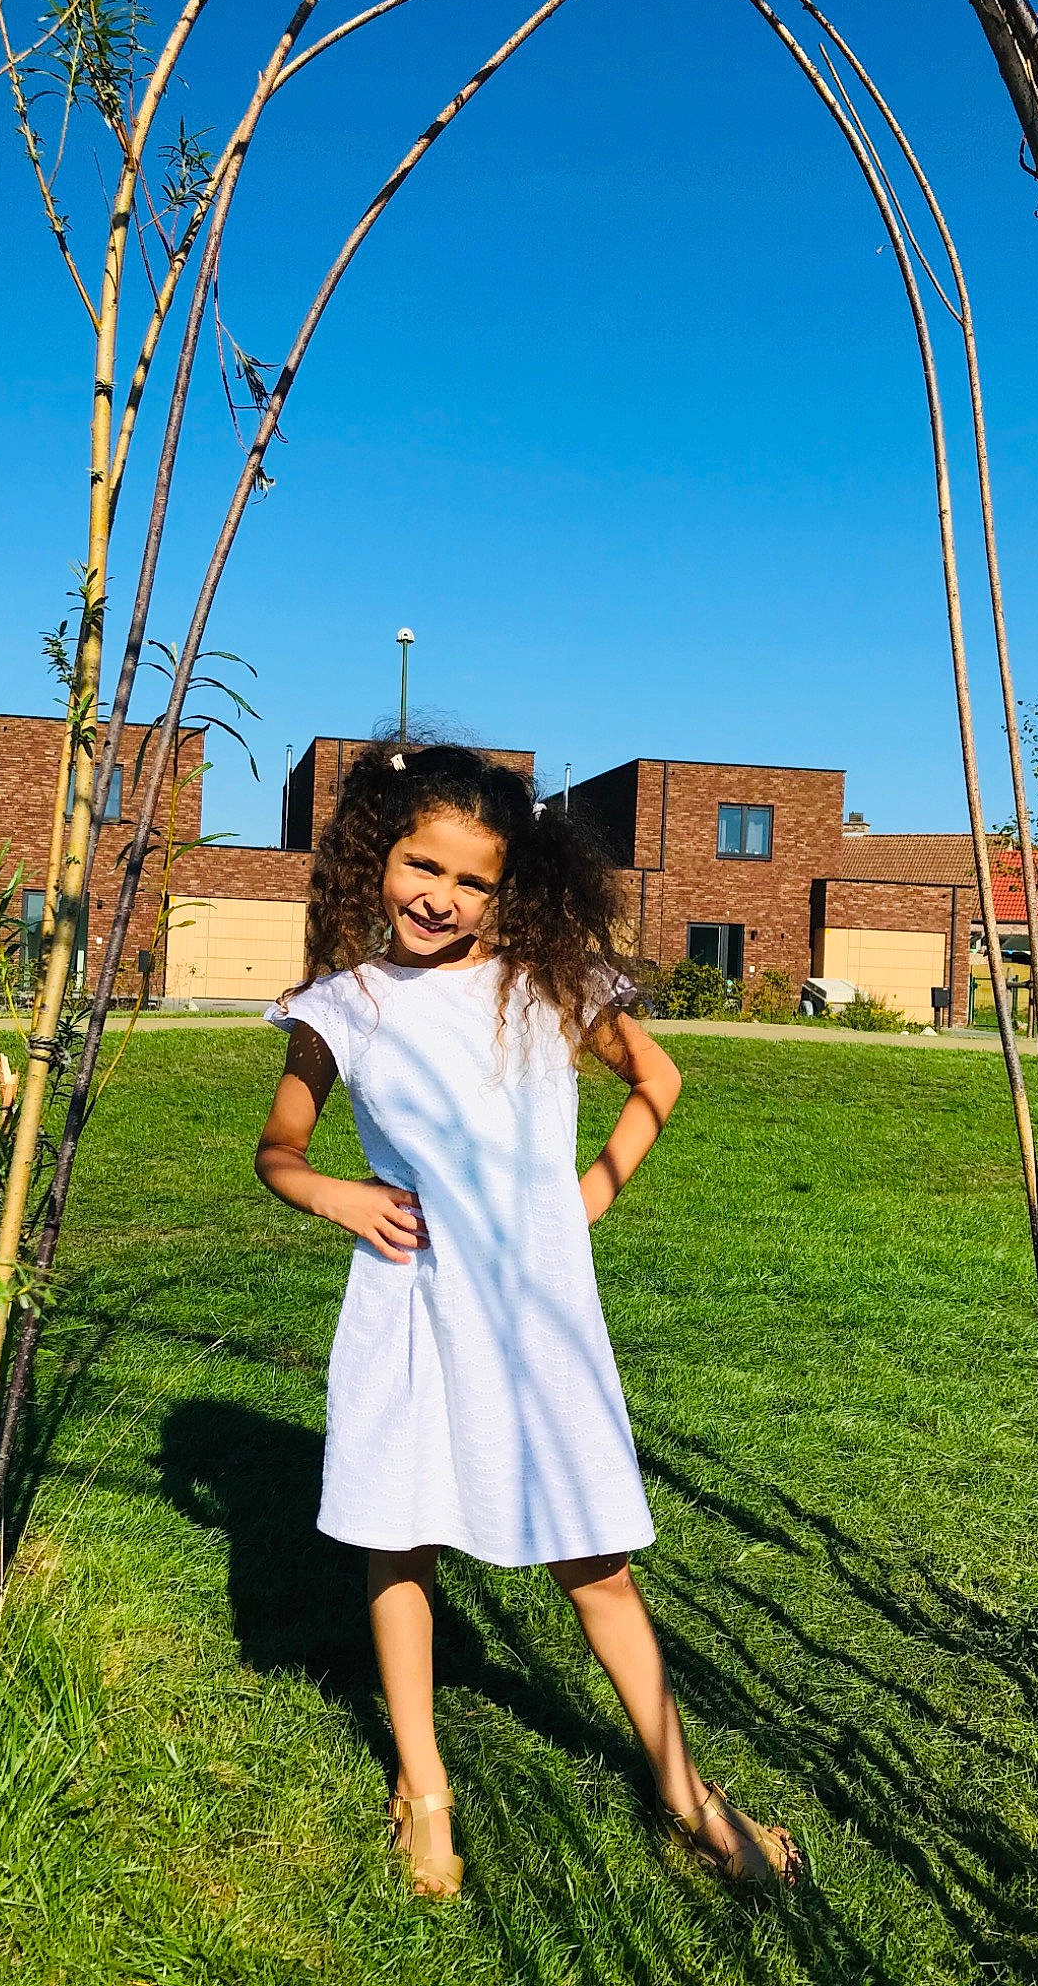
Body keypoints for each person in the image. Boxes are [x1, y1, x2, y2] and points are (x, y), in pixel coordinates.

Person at [254, 741, 800, 1899]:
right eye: (422, 865)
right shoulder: (338, 1009)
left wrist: (587, 1195)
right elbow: (279, 1149)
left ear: (508, 889)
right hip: (409, 1305)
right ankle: (425, 1787)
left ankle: (686, 1790)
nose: (439, 897)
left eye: (472, 880)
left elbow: (659, 1081)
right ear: (379, 851)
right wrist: (337, 1194)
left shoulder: (547, 983)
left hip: (536, 1317)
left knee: (592, 1558)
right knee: (399, 1536)